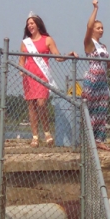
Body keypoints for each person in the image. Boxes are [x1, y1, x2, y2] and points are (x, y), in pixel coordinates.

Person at [19, 13, 77, 147]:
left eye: (32, 23)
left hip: (42, 77)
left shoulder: (47, 40)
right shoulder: (25, 43)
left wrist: (68, 55)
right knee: (32, 107)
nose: (30, 26)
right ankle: (35, 136)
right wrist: (21, 70)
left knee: (41, 103)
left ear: (38, 24)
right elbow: (21, 61)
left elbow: (57, 57)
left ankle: (46, 132)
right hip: (29, 77)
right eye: (28, 24)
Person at [82, 0, 110, 151]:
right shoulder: (89, 43)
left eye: (102, 28)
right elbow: (88, 27)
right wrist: (95, 9)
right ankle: (87, 140)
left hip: (103, 81)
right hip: (92, 81)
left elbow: (109, 64)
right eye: (98, 28)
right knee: (90, 109)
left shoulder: (104, 46)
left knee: (101, 111)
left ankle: (99, 139)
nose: (101, 30)